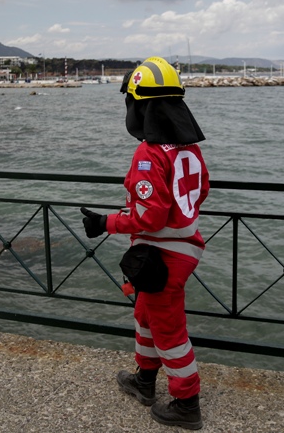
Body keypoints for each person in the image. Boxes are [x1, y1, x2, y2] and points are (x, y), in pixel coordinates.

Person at [80, 56, 210, 430]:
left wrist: (106, 222)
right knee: (146, 318)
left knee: (169, 332)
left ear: (140, 107)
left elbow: (150, 217)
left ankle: (187, 404)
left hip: (164, 255)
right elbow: (200, 191)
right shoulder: (189, 149)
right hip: (180, 248)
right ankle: (144, 381)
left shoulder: (148, 154)